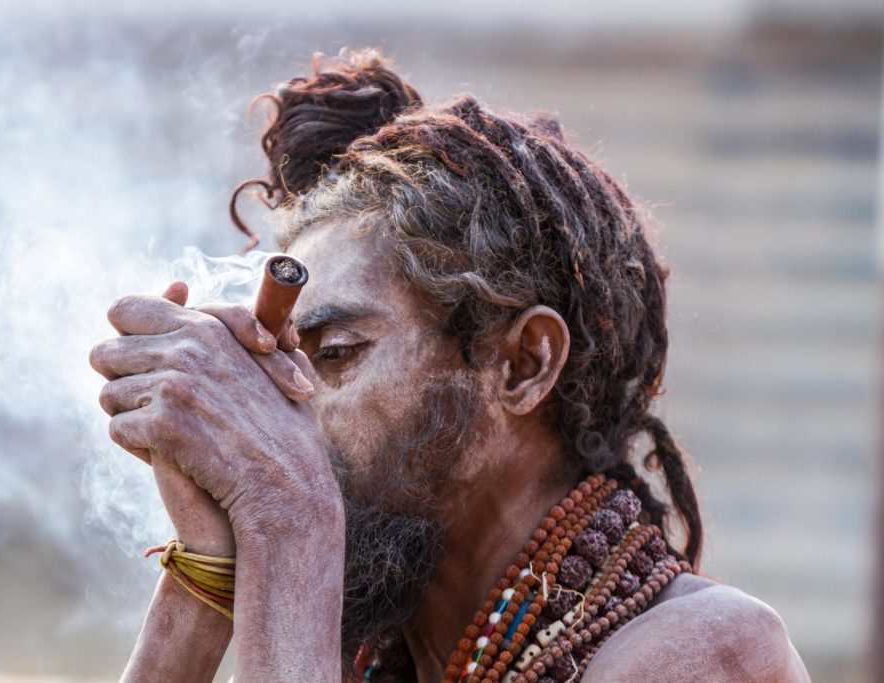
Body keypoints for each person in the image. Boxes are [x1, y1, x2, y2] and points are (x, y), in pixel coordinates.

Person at [89, 48, 811, 682]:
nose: (288, 408)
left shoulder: (716, 653)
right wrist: (207, 570)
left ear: (523, 364)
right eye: (285, 362)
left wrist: (287, 514)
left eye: (336, 355)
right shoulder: (365, 648)